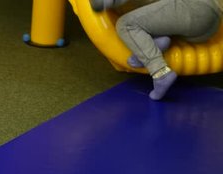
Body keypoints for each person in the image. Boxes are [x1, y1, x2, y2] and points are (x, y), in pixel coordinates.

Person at [90, 0, 223, 100]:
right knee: (154, 13)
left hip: (195, 10)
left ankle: (161, 73)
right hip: (210, 24)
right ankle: (152, 44)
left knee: (126, 25)